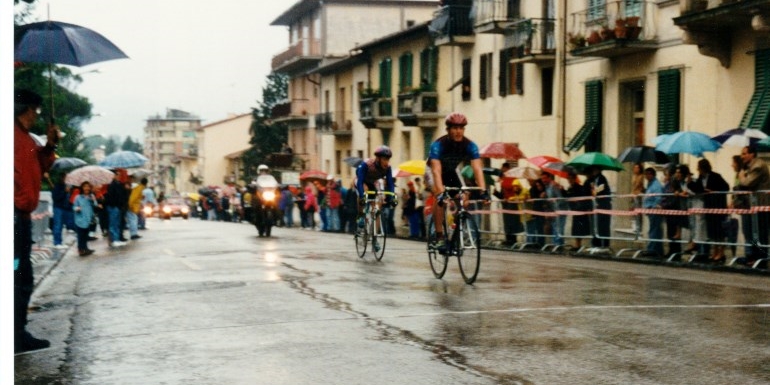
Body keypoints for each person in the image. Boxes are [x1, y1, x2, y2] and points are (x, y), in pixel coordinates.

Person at [14, 88, 57, 353]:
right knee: (17, 274)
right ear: (28, 110)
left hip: (21, 216)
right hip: (14, 215)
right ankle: (15, 334)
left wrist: (50, 145)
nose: (36, 115)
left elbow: (41, 166)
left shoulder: (26, 138)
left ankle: (17, 331)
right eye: (36, 110)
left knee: (21, 274)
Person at [427, 112, 489, 251]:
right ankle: (439, 236)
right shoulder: (438, 145)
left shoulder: (470, 145)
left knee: (463, 197)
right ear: (448, 130)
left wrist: (483, 190)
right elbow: (436, 171)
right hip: (433, 171)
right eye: (454, 128)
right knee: (440, 197)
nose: (458, 131)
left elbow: (477, 168)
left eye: (461, 128)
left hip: (450, 171)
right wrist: (441, 192)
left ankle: (455, 230)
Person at [687, 159, 730, 262]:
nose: (698, 170)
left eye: (699, 168)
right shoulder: (701, 178)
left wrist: (713, 191)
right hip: (708, 206)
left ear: (704, 168)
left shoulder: (715, 176)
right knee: (712, 231)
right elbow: (698, 189)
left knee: (719, 232)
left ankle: (721, 252)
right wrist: (689, 183)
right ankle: (715, 251)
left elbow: (726, 187)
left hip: (717, 206)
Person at [736, 144, 770, 264]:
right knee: (752, 231)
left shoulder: (758, 166)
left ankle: (761, 258)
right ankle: (753, 257)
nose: (742, 156)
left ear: (752, 154)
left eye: (744, 153)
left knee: (760, 232)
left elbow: (747, 183)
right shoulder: (749, 166)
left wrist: (741, 176)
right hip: (753, 205)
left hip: (760, 204)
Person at [354, 145, 397, 227]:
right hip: (361, 180)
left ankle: (375, 236)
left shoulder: (388, 167)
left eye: (388, 159)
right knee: (364, 190)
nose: (386, 162)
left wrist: (391, 197)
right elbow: (360, 182)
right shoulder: (367, 164)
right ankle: (360, 215)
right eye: (384, 159)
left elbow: (390, 183)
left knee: (377, 209)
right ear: (378, 158)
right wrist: (362, 196)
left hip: (373, 182)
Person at [585, 165, 612, 248]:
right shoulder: (592, 180)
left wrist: (594, 190)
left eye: (595, 169)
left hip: (603, 206)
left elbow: (602, 188)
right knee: (595, 226)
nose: (593, 171)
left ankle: (605, 245)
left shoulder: (602, 178)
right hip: (595, 206)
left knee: (603, 226)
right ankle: (596, 243)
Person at [565, 170, 591, 248]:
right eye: (568, 178)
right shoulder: (570, 188)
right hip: (574, 210)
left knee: (580, 228)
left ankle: (578, 244)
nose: (569, 180)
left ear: (574, 178)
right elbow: (567, 197)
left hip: (580, 210)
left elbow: (583, 197)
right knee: (576, 228)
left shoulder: (579, 187)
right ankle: (577, 244)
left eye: (571, 178)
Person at [642, 167, 665, 257]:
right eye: (645, 174)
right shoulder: (650, 184)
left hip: (654, 210)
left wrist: (654, 206)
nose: (646, 176)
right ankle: (658, 250)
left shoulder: (656, 185)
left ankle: (652, 249)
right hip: (650, 210)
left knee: (654, 230)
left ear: (652, 174)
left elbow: (658, 197)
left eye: (648, 174)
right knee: (655, 230)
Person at [104, 169, 129, 247]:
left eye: (119, 175)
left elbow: (123, 195)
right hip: (113, 206)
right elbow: (111, 197)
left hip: (118, 207)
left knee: (117, 223)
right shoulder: (111, 185)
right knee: (113, 223)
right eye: (117, 175)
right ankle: (114, 240)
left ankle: (117, 239)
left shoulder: (119, 184)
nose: (119, 176)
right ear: (113, 176)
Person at [541, 171, 567, 246]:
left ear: (549, 178)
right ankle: (556, 243)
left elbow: (560, 198)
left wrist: (556, 208)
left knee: (559, 227)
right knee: (555, 227)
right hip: (553, 210)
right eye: (542, 178)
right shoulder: (547, 187)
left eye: (545, 178)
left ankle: (558, 244)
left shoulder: (554, 185)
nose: (543, 180)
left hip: (560, 209)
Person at [73, 181, 98, 256]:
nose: (86, 188)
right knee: (81, 235)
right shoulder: (78, 197)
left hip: (88, 218)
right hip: (80, 219)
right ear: (82, 188)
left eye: (88, 186)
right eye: (85, 186)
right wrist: (77, 208)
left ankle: (85, 248)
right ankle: (81, 249)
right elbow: (74, 207)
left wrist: (93, 200)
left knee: (86, 234)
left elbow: (95, 205)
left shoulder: (91, 196)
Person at [51, 173, 75, 249]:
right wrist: (64, 192)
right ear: (62, 178)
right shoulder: (57, 186)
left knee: (70, 224)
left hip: (67, 208)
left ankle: (61, 241)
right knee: (58, 225)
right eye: (65, 178)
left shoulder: (69, 187)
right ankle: (57, 242)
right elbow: (56, 198)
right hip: (58, 208)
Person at [631, 163, 645, 233]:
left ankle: (639, 227)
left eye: (637, 168)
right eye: (635, 168)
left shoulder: (642, 176)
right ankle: (635, 226)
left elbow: (640, 186)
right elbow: (633, 186)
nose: (635, 169)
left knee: (639, 211)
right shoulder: (633, 176)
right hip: (634, 195)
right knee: (634, 211)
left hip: (639, 195)